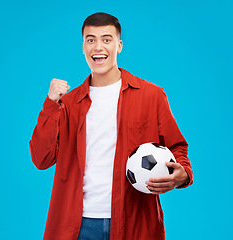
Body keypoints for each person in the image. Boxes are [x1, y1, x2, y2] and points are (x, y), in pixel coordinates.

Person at [29, 12, 193, 240]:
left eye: (106, 39)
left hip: (133, 222)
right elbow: (41, 158)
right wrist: (50, 105)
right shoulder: (67, 103)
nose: (98, 47)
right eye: (91, 40)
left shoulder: (151, 96)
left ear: (119, 45)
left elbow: (177, 148)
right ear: (83, 47)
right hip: (77, 226)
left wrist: (182, 174)